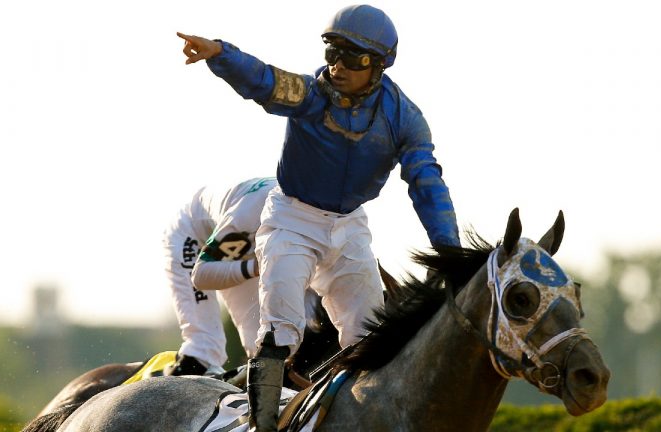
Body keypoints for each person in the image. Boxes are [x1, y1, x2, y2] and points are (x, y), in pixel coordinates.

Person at [177, 5, 461, 430]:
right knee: (278, 335)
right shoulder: (310, 94)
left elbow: (427, 184)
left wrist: (450, 252)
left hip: (350, 228)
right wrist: (220, 53)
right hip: (292, 219)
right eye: (333, 52)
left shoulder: (406, 119)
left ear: (378, 65)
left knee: (370, 340)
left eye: (353, 58)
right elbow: (263, 79)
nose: (337, 66)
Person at [162, 177, 275, 377]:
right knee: (204, 349)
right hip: (196, 238)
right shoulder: (252, 212)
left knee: (263, 345)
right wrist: (257, 267)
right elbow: (203, 275)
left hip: (247, 245)